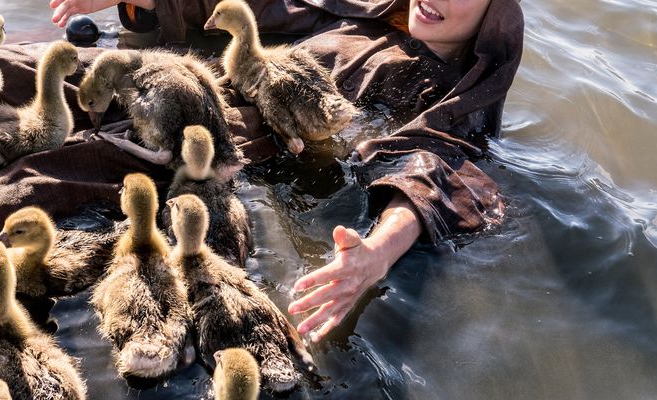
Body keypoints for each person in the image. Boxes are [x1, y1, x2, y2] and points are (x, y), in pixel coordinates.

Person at [45, 0, 523, 340]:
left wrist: (376, 253)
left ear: (493, 13)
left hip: (227, 143)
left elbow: (438, 168)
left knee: (46, 177)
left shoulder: (448, 97)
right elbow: (256, 7)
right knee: (16, 81)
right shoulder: (357, 11)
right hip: (191, 92)